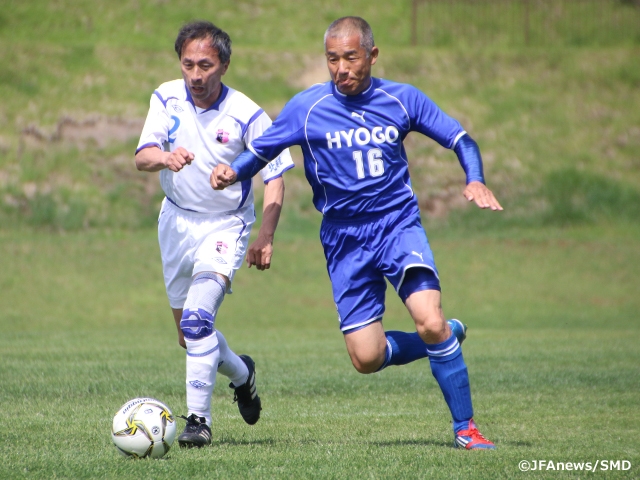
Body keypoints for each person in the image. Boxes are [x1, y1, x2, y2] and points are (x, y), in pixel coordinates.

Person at [212, 16, 503, 449]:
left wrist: (474, 177)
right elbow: (260, 153)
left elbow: (460, 138)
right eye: (332, 58)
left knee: (427, 318)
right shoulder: (307, 108)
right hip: (343, 238)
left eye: (351, 57)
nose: (341, 67)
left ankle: (466, 428)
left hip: (396, 225)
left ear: (372, 54)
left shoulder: (401, 99)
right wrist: (230, 172)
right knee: (366, 358)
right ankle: (444, 335)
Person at [135, 20, 294, 448]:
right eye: (188, 64)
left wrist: (266, 235)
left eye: (205, 64)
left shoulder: (247, 113)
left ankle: (198, 422)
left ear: (223, 64)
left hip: (226, 225)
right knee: (189, 337)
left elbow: (275, 175)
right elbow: (142, 157)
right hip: (175, 222)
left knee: (198, 318)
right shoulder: (165, 97)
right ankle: (243, 374)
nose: (196, 75)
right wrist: (166, 158)